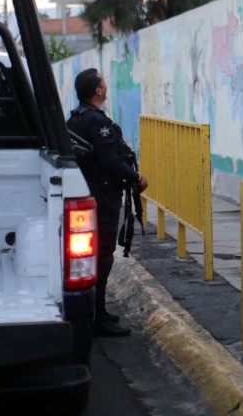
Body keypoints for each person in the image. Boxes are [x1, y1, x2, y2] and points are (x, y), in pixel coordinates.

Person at [67, 68, 148, 337]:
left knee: (92, 259)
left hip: (86, 194)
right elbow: (110, 160)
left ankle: (93, 312)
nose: (106, 84)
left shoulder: (75, 118)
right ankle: (97, 316)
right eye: (103, 81)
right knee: (102, 257)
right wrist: (136, 177)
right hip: (101, 198)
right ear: (98, 90)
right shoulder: (96, 122)